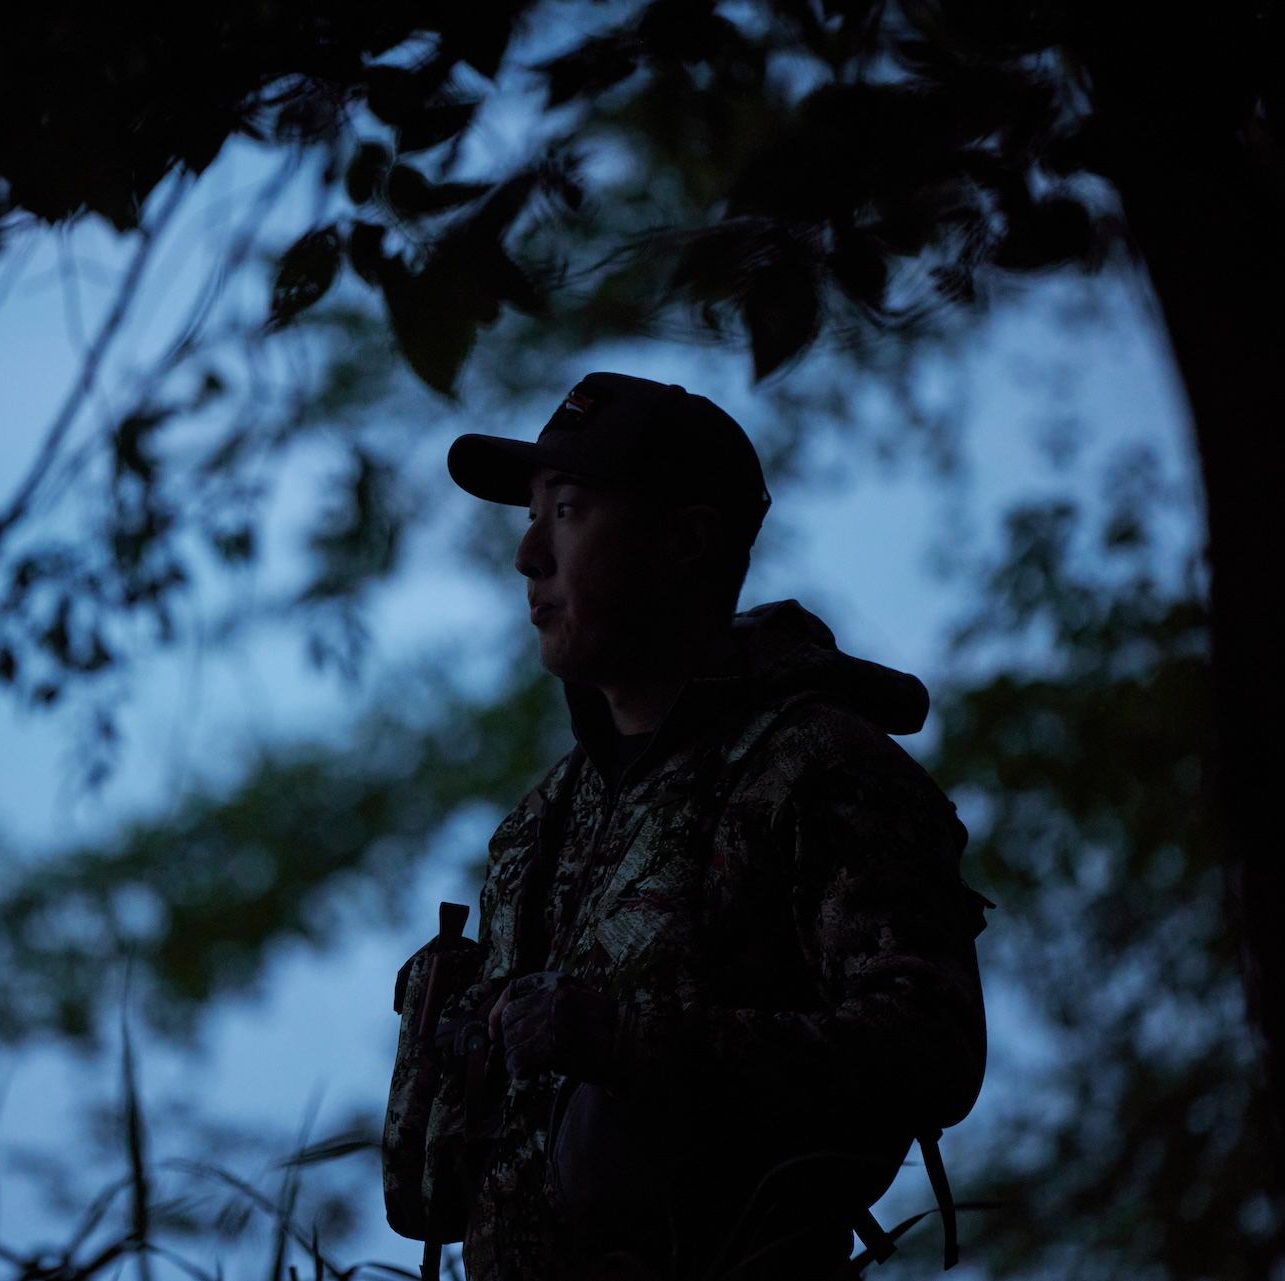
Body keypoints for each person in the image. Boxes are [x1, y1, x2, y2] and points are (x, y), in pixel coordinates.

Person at [382, 372, 989, 1280]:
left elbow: (928, 1049)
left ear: (686, 543)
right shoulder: (537, 825)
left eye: (568, 510)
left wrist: (625, 1039)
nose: (527, 554)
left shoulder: (820, 768)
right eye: (532, 512)